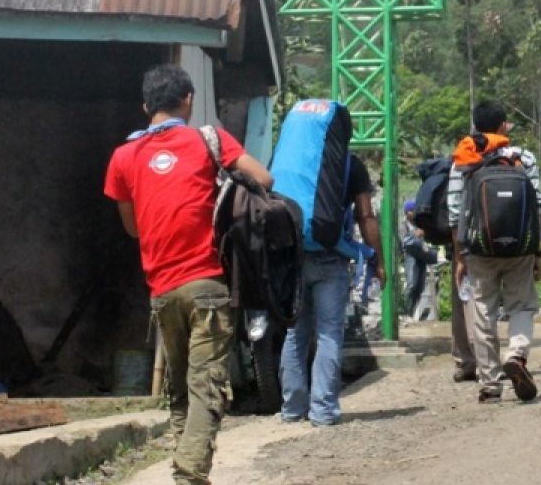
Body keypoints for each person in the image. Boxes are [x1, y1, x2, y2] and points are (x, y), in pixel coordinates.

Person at [103, 64, 273, 485]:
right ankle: (191, 474)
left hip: (162, 288)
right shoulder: (208, 138)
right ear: (188, 100)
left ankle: (186, 468)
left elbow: (132, 227)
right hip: (208, 283)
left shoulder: (123, 157)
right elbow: (263, 177)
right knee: (206, 387)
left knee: (180, 389)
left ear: (146, 106)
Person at [448, 100, 541, 403]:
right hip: (519, 248)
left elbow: (455, 211)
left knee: (482, 311)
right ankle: (516, 354)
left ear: (475, 127)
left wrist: (460, 257)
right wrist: (537, 252)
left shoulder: (464, 159)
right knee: (522, 306)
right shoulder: (522, 157)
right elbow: (536, 207)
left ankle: (490, 383)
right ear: (503, 126)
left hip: (479, 249)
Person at [280, 150, 385, 426]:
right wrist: (379, 259)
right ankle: (323, 410)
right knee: (328, 333)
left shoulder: (294, 156)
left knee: (295, 333)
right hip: (332, 257)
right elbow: (366, 215)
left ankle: (292, 409)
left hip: (294, 256)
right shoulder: (351, 162)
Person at [401, 200, 439, 318]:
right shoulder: (403, 225)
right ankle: (406, 311)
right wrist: (414, 234)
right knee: (411, 284)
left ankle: (412, 312)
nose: (413, 213)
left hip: (421, 256)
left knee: (420, 286)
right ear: (407, 212)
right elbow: (404, 241)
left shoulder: (419, 224)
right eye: (411, 211)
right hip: (411, 256)